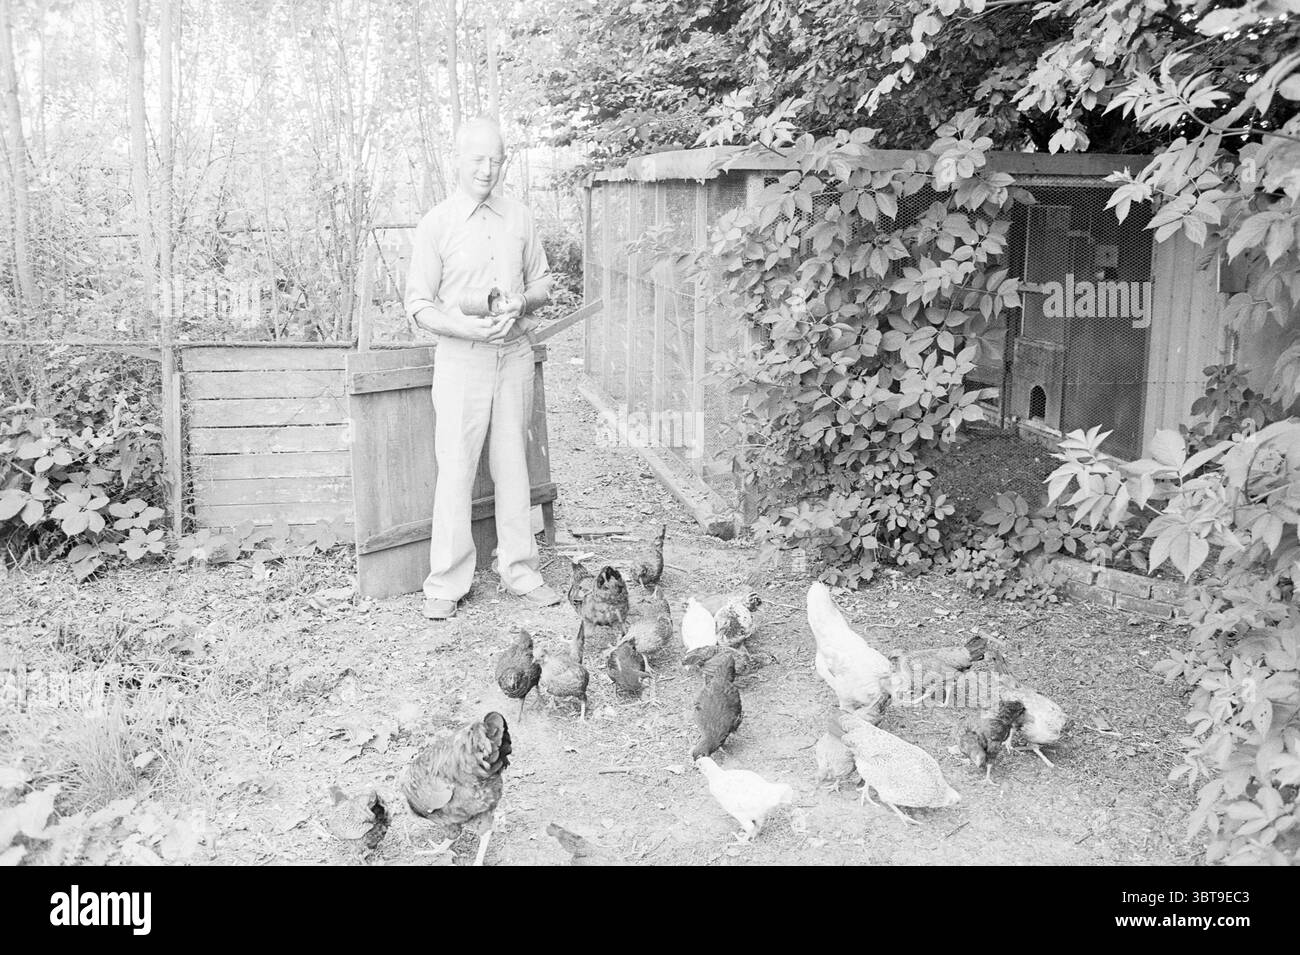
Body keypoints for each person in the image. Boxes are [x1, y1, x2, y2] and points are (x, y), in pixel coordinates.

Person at [404, 117, 562, 619]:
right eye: (477, 159)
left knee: (513, 465)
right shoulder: (437, 223)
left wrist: (522, 303)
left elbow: (543, 283)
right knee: (455, 468)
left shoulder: (520, 216)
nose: (486, 169)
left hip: (513, 356)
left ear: (504, 162)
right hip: (461, 361)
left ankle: (519, 569)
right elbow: (418, 304)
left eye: (495, 159)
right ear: (457, 159)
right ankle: (446, 584)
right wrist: (466, 329)